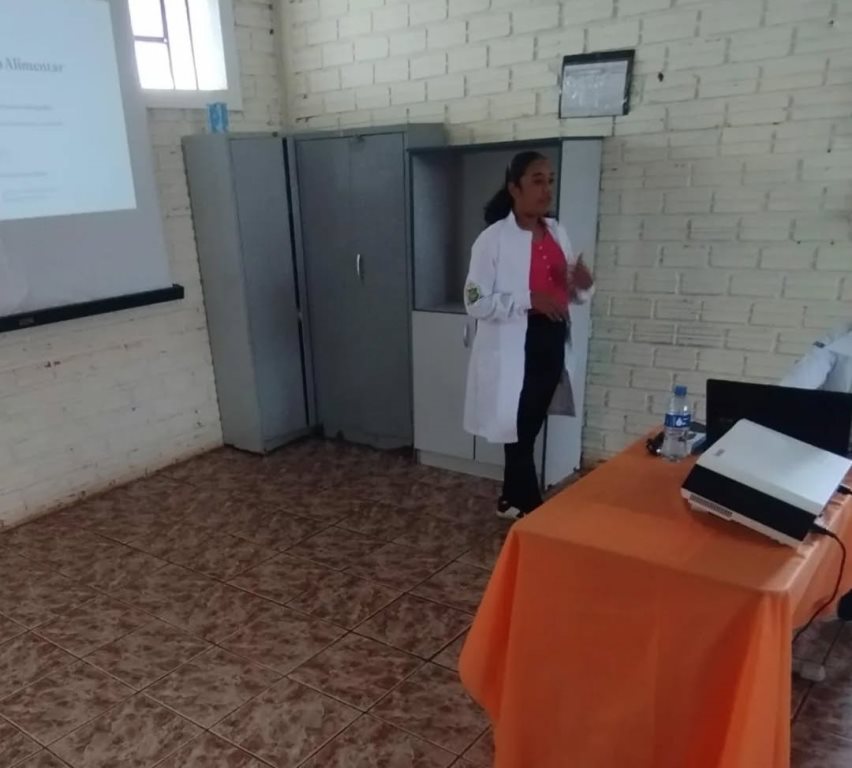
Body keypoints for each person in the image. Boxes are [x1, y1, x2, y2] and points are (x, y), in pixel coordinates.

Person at [463, 151, 594, 520]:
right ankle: (534, 514)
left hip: (552, 340)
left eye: (550, 180)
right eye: (537, 181)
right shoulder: (492, 240)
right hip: (515, 345)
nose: (546, 189)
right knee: (518, 431)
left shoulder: (556, 232)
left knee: (527, 428)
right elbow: (474, 300)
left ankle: (510, 499)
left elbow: (572, 292)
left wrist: (583, 285)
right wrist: (527, 299)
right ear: (514, 188)